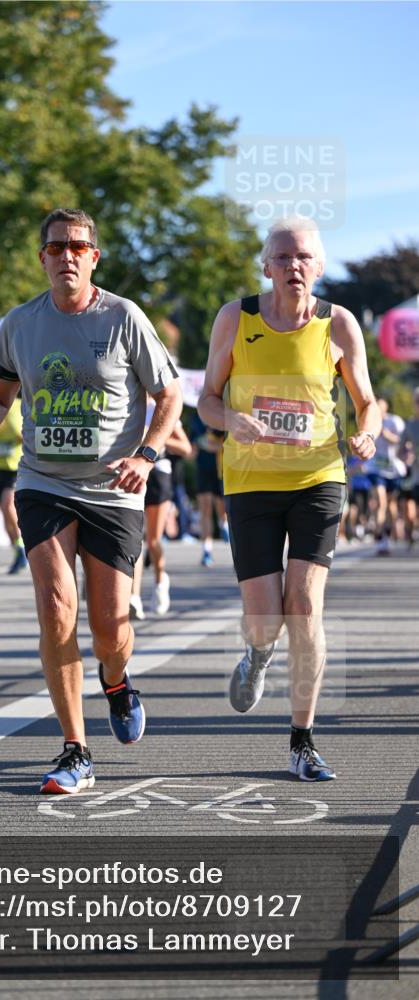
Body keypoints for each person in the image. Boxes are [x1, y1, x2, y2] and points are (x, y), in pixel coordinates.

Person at [0, 208, 182, 794]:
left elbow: (169, 395)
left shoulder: (124, 317)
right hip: (43, 483)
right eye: (56, 248)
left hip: (114, 490)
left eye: (78, 247)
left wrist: (148, 456)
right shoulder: (21, 324)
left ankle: (116, 678)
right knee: (57, 606)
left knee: (109, 627)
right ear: (43, 258)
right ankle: (75, 749)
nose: (67, 257)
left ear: (94, 257)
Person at [198, 216, 380, 781]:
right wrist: (231, 419)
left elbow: (367, 400)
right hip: (250, 481)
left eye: (304, 258)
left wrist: (367, 432)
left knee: (303, 605)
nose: (293, 267)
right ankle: (256, 652)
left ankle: (302, 739)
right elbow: (204, 399)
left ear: (319, 267)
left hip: (318, 476)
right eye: (283, 258)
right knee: (265, 617)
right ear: (266, 267)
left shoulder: (338, 323)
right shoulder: (237, 317)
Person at [130, 402, 192, 619]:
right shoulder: (125, 401)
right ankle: (134, 598)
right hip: (130, 471)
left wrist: (155, 435)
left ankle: (159, 580)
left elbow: (186, 448)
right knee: (134, 539)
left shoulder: (163, 406)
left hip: (158, 474)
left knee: (153, 540)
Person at [0, 396, 28, 574]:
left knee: (7, 504)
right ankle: (18, 550)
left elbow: (25, 435)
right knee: (4, 513)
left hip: (16, 467)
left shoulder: (21, 406)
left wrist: (16, 433)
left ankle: (24, 543)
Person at [366, 397, 406, 555]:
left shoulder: (395, 422)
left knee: (390, 506)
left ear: (386, 408)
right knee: (381, 502)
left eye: (381, 407)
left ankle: (386, 537)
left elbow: (402, 441)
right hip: (375, 469)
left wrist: (385, 433)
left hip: (393, 469)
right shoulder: (370, 422)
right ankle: (378, 535)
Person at [189, 411, 229, 567]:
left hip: (222, 469)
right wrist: (200, 443)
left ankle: (223, 526)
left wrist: (213, 444)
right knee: (205, 509)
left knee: (222, 510)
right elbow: (192, 447)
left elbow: (226, 443)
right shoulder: (195, 419)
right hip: (203, 468)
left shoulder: (223, 412)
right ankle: (207, 551)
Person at [399, 387, 419, 547]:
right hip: (414, 474)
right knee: (410, 511)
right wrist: (406, 458)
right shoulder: (410, 425)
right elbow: (400, 450)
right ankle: (411, 532)